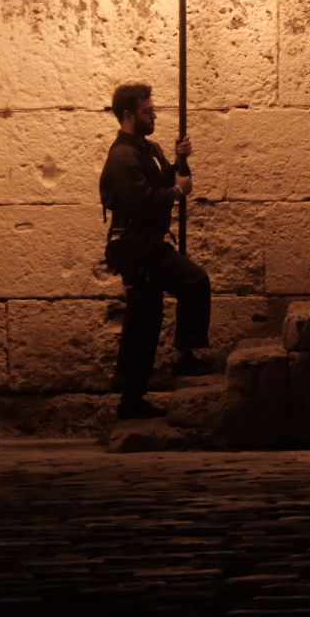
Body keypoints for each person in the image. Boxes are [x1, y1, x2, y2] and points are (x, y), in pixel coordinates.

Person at [100, 83, 214, 420]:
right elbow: (141, 200)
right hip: (136, 246)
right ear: (128, 115)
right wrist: (177, 192)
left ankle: (133, 396)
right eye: (147, 111)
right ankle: (179, 359)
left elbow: (168, 180)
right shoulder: (122, 156)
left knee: (146, 317)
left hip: (147, 243)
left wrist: (180, 160)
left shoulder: (148, 148)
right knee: (187, 286)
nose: (154, 116)